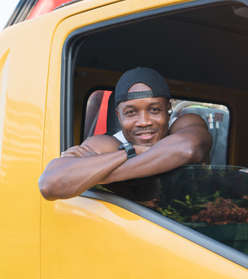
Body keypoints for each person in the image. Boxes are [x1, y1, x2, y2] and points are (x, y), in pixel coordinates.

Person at [39, 67, 212, 200]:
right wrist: (134, 152)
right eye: (131, 112)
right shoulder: (108, 144)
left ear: (168, 109)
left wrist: (97, 175)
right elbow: (51, 184)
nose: (144, 121)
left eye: (154, 109)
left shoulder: (185, 122)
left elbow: (187, 148)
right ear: (118, 116)